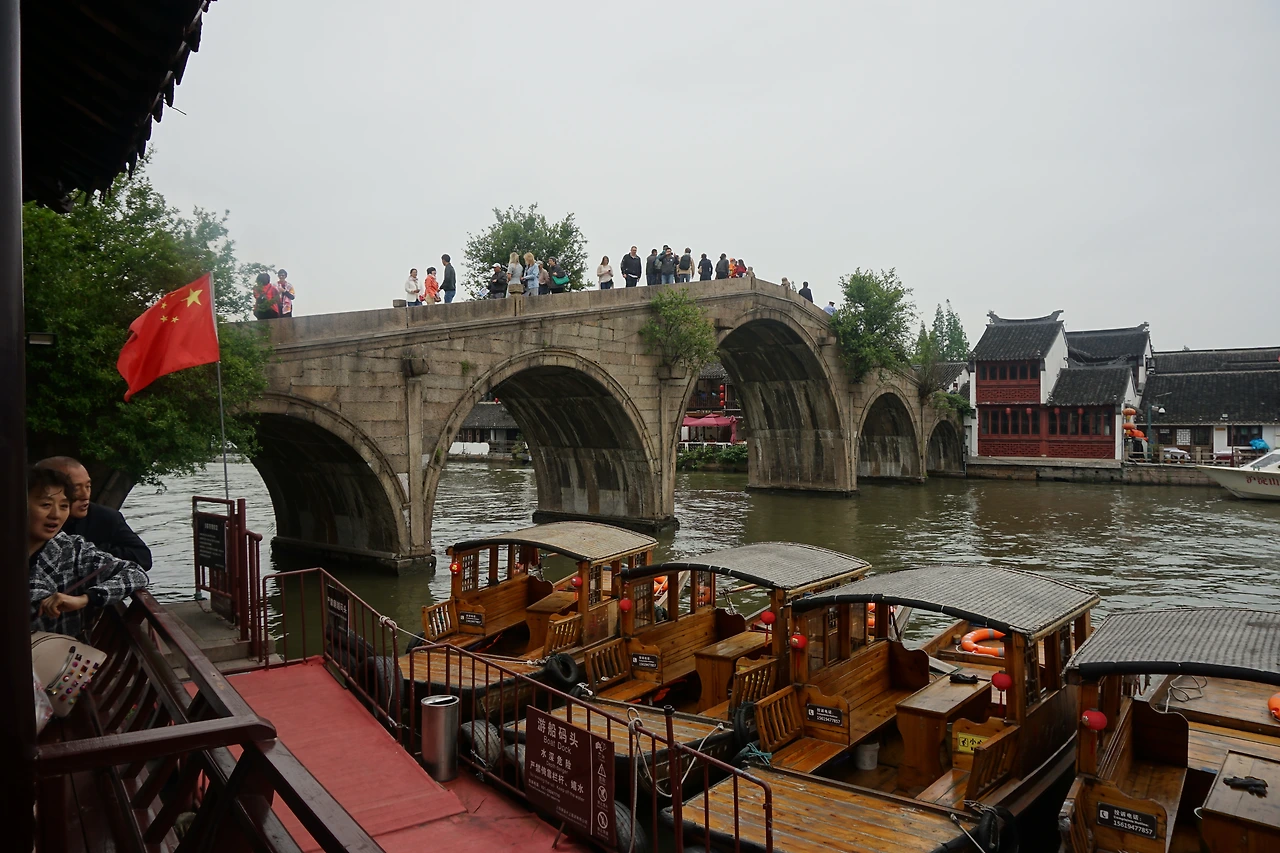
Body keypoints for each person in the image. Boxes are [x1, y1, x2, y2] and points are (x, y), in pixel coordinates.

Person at [27, 466, 149, 638]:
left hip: (58, 651)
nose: (55, 514)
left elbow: (136, 573)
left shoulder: (71, 549)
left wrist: (87, 598)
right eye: (45, 505)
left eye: (64, 506)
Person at [34, 457, 152, 569]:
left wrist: (93, 553)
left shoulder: (105, 517)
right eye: (76, 488)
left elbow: (143, 558)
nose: (85, 495)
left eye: (88, 486)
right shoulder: (33, 524)